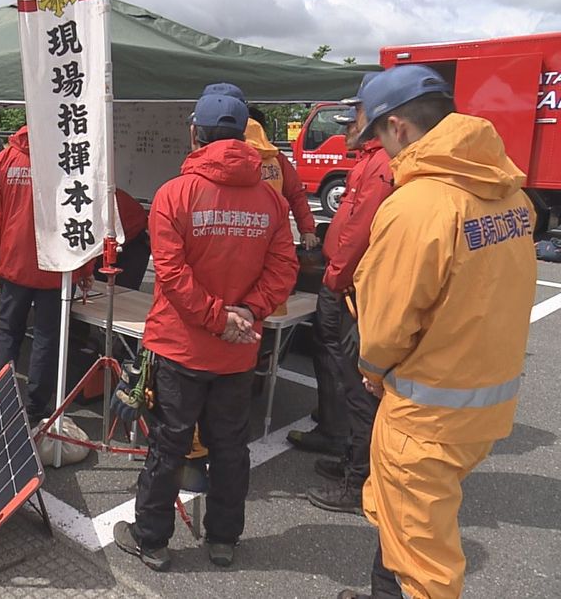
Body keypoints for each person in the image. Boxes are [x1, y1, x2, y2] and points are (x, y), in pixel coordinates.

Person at [338, 65, 536, 599]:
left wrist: (372, 372)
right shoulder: (511, 196)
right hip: (482, 401)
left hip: (425, 411)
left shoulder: (420, 205)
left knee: (423, 566)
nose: (380, 148)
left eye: (378, 134)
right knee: (404, 520)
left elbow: (383, 327)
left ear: (399, 127)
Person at [112, 91, 298, 572]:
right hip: (237, 352)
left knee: (168, 445)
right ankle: (223, 539)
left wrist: (219, 318)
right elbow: (283, 270)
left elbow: (171, 277)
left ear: (195, 133)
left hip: (181, 346)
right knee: (231, 446)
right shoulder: (271, 200)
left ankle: (151, 539)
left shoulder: (175, 193)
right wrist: (246, 315)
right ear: (243, 135)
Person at [300, 78, 394, 516]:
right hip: (349, 286)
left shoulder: (379, 168)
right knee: (337, 371)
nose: (349, 122)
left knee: (357, 384)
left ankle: (358, 479)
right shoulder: (369, 162)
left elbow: (358, 233)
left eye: (357, 113)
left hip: (353, 292)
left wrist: (333, 281)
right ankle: (341, 445)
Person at [0, 126, 93, 423]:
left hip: (13, 263)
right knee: (46, 337)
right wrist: (84, 268)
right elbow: (82, 218)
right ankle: (36, 406)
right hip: (55, 266)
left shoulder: (4, 160)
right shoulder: (69, 160)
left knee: (7, 332)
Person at [204, 83, 318, 249]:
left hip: (225, 237)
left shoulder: (211, 155)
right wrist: (307, 230)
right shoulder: (275, 157)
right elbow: (296, 195)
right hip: (272, 235)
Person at [93, 188, 150, 291]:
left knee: (124, 291)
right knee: (98, 288)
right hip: (110, 240)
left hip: (132, 240)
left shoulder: (105, 194)